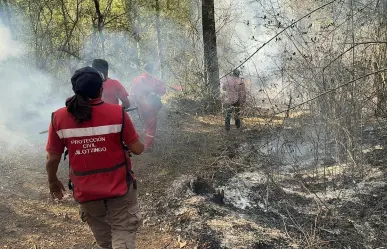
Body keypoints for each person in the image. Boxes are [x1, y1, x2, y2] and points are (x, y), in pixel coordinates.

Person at [45, 66, 144, 249]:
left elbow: (52, 159)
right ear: (101, 89)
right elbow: (137, 149)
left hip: (87, 192)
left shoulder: (58, 117)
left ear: (75, 89)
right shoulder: (117, 113)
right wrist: (140, 140)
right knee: (122, 232)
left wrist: (52, 181)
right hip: (120, 188)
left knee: (105, 239)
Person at [130, 63, 166, 151]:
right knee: (151, 127)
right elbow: (162, 92)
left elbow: (132, 94)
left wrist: (134, 105)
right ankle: (148, 146)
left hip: (141, 106)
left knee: (146, 123)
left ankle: (143, 141)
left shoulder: (137, 79)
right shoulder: (155, 80)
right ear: (152, 70)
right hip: (151, 107)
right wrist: (161, 84)